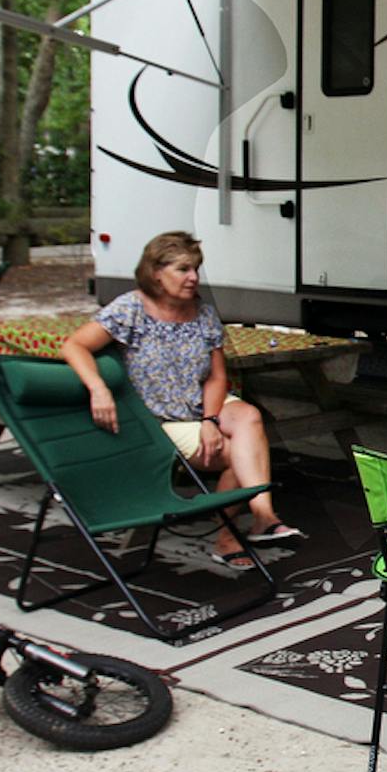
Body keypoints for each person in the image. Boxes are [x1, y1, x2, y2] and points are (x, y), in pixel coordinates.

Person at [60, 230, 306, 567]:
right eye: (183, 269)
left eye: (195, 269)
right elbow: (74, 345)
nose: (193, 278)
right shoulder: (131, 309)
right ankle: (229, 537)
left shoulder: (202, 313)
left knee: (249, 417)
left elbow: (217, 376)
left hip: (200, 404)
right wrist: (98, 388)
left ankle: (264, 516)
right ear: (156, 273)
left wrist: (209, 420)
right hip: (162, 416)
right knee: (239, 455)